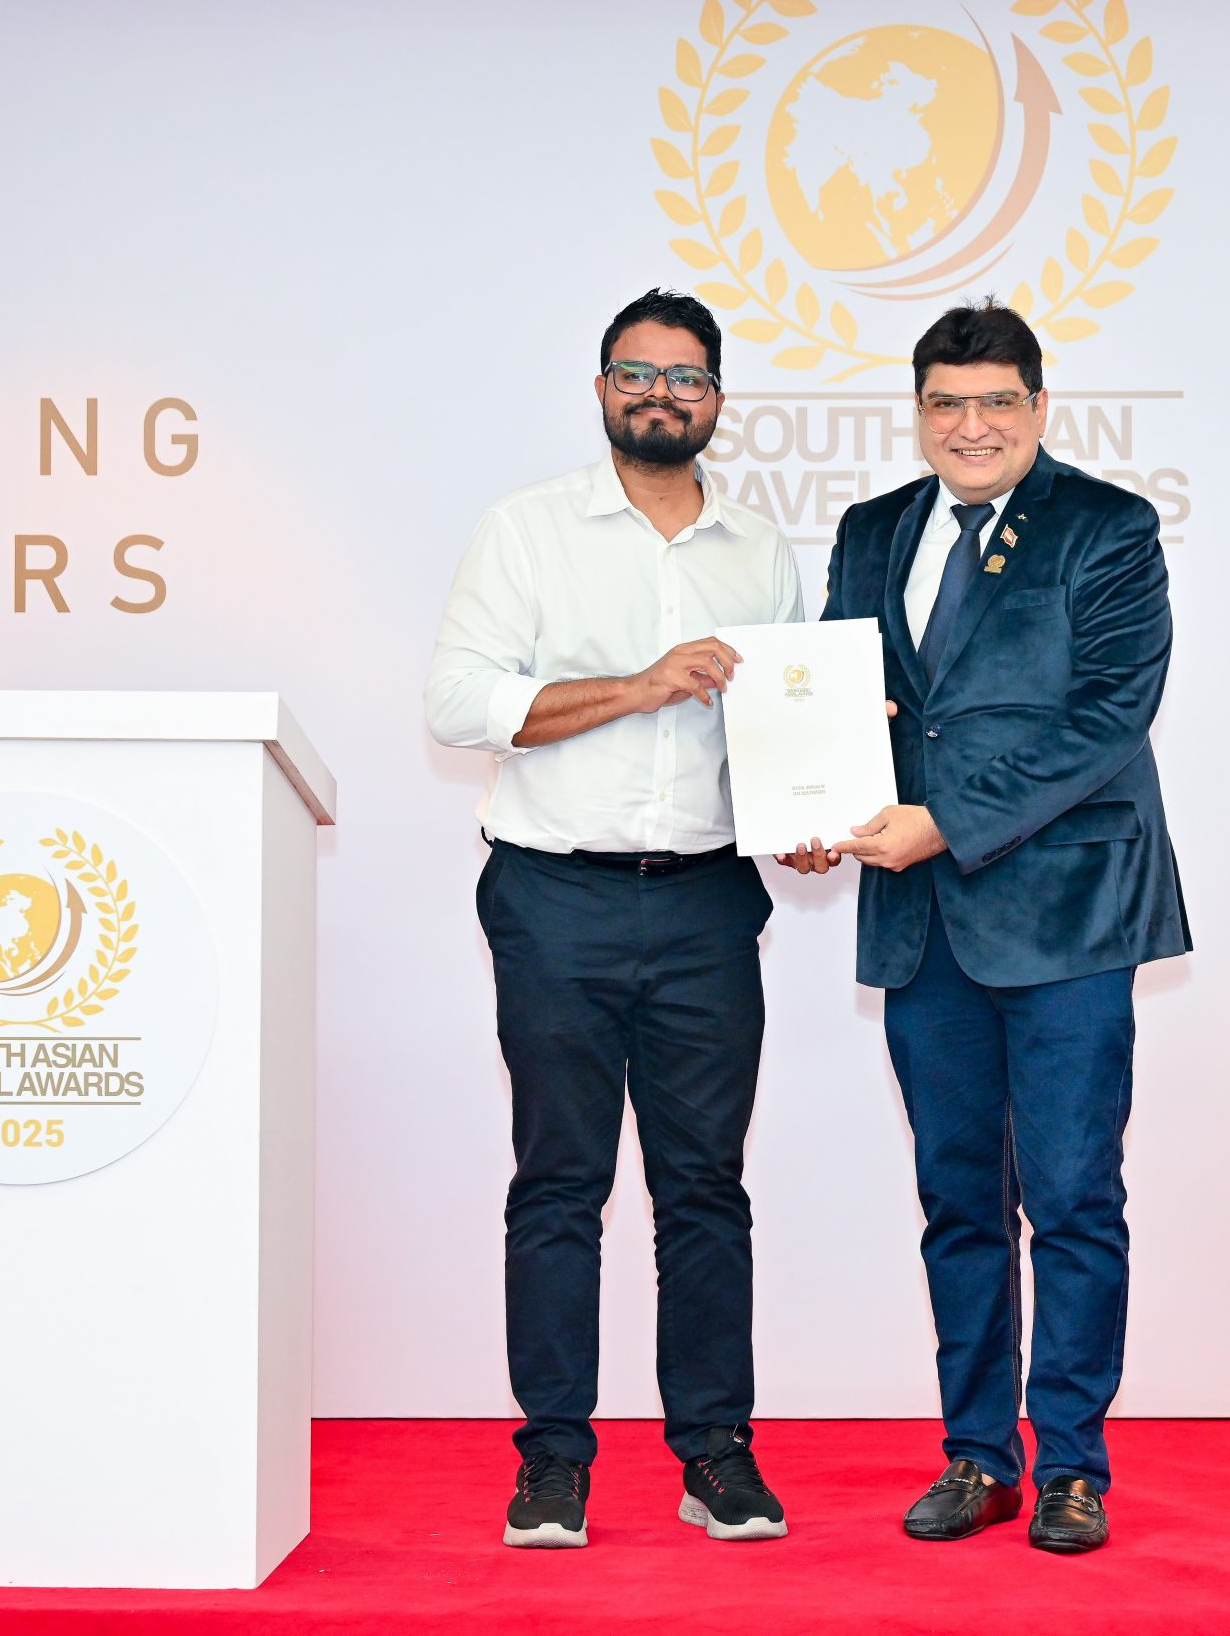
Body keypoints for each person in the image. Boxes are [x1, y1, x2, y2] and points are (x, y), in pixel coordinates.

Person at [778, 299, 1189, 1553]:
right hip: (922, 927)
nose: (971, 426)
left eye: (996, 401)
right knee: (957, 1203)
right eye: (946, 404)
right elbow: (839, 701)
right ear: (917, 414)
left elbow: (1109, 716)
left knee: (1071, 1199)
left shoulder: (1107, 526)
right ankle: (977, 1457)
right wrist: (809, 809)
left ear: (1038, 408)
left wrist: (943, 822)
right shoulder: (870, 531)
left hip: (1065, 915)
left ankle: (1070, 1466)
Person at [427, 289, 800, 1549]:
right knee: (560, 1186)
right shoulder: (525, 530)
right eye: (637, 373)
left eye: (686, 378)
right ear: (600, 390)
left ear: (716, 401)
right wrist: (641, 687)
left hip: (707, 902)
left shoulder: (760, 551)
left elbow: (777, 732)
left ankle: (716, 1457)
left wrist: (807, 812)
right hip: (555, 899)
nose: (660, 395)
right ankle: (552, 1463)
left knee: (706, 1192)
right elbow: (459, 703)